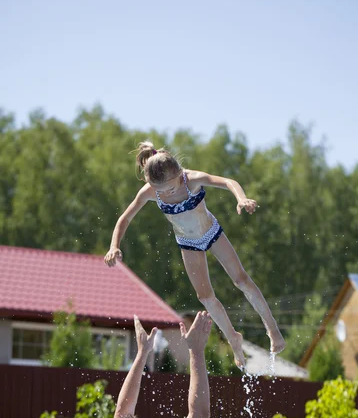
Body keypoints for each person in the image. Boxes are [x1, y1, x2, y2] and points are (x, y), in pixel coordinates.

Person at [104, 142, 285, 368]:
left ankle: (272, 328)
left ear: (180, 173)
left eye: (171, 187)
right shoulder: (149, 192)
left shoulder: (192, 179)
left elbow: (228, 181)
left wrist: (241, 198)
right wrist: (114, 245)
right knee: (205, 297)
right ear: (150, 183)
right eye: (161, 191)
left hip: (212, 232)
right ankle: (233, 338)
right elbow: (125, 219)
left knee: (241, 279)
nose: (167, 193)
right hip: (187, 243)